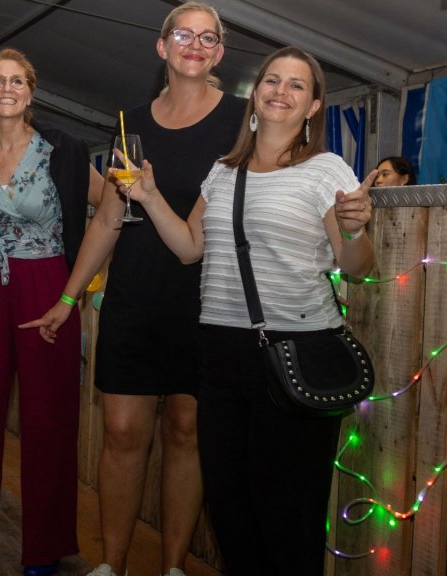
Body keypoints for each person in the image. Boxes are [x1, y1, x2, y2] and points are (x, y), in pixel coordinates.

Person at [121, 46, 375, 576]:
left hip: (296, 351)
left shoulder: (325, 170)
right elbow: (190, 247)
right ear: (255, 93)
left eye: (297, 85)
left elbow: (356, 265)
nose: (281, 91)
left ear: (314, 106)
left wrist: (353, 229)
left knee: (287, 514)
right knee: (230, 508)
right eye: (272, 80)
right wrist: (148, 196)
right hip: (219, 351)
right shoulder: (222, 172)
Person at [23, 4, 244, 575]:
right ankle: (112, 565)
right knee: (121, 432)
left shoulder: (241, 120)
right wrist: (68, 298)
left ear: (219, 52)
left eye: (208, 37)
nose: (195, 44)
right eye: (183, 34)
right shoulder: (130, 123)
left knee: (187, 431)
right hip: (135, 293)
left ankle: (172, 567)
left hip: (207, 297)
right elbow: (107, 218)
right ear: (162, 46)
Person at [0, 48, 104, 576]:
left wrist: (75, 290)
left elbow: (113, 205)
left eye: (17, 81)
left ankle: (46, 546)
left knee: (49, 417)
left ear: (31, 92)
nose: (6, 89)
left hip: (47, 284)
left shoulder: (62, 150)